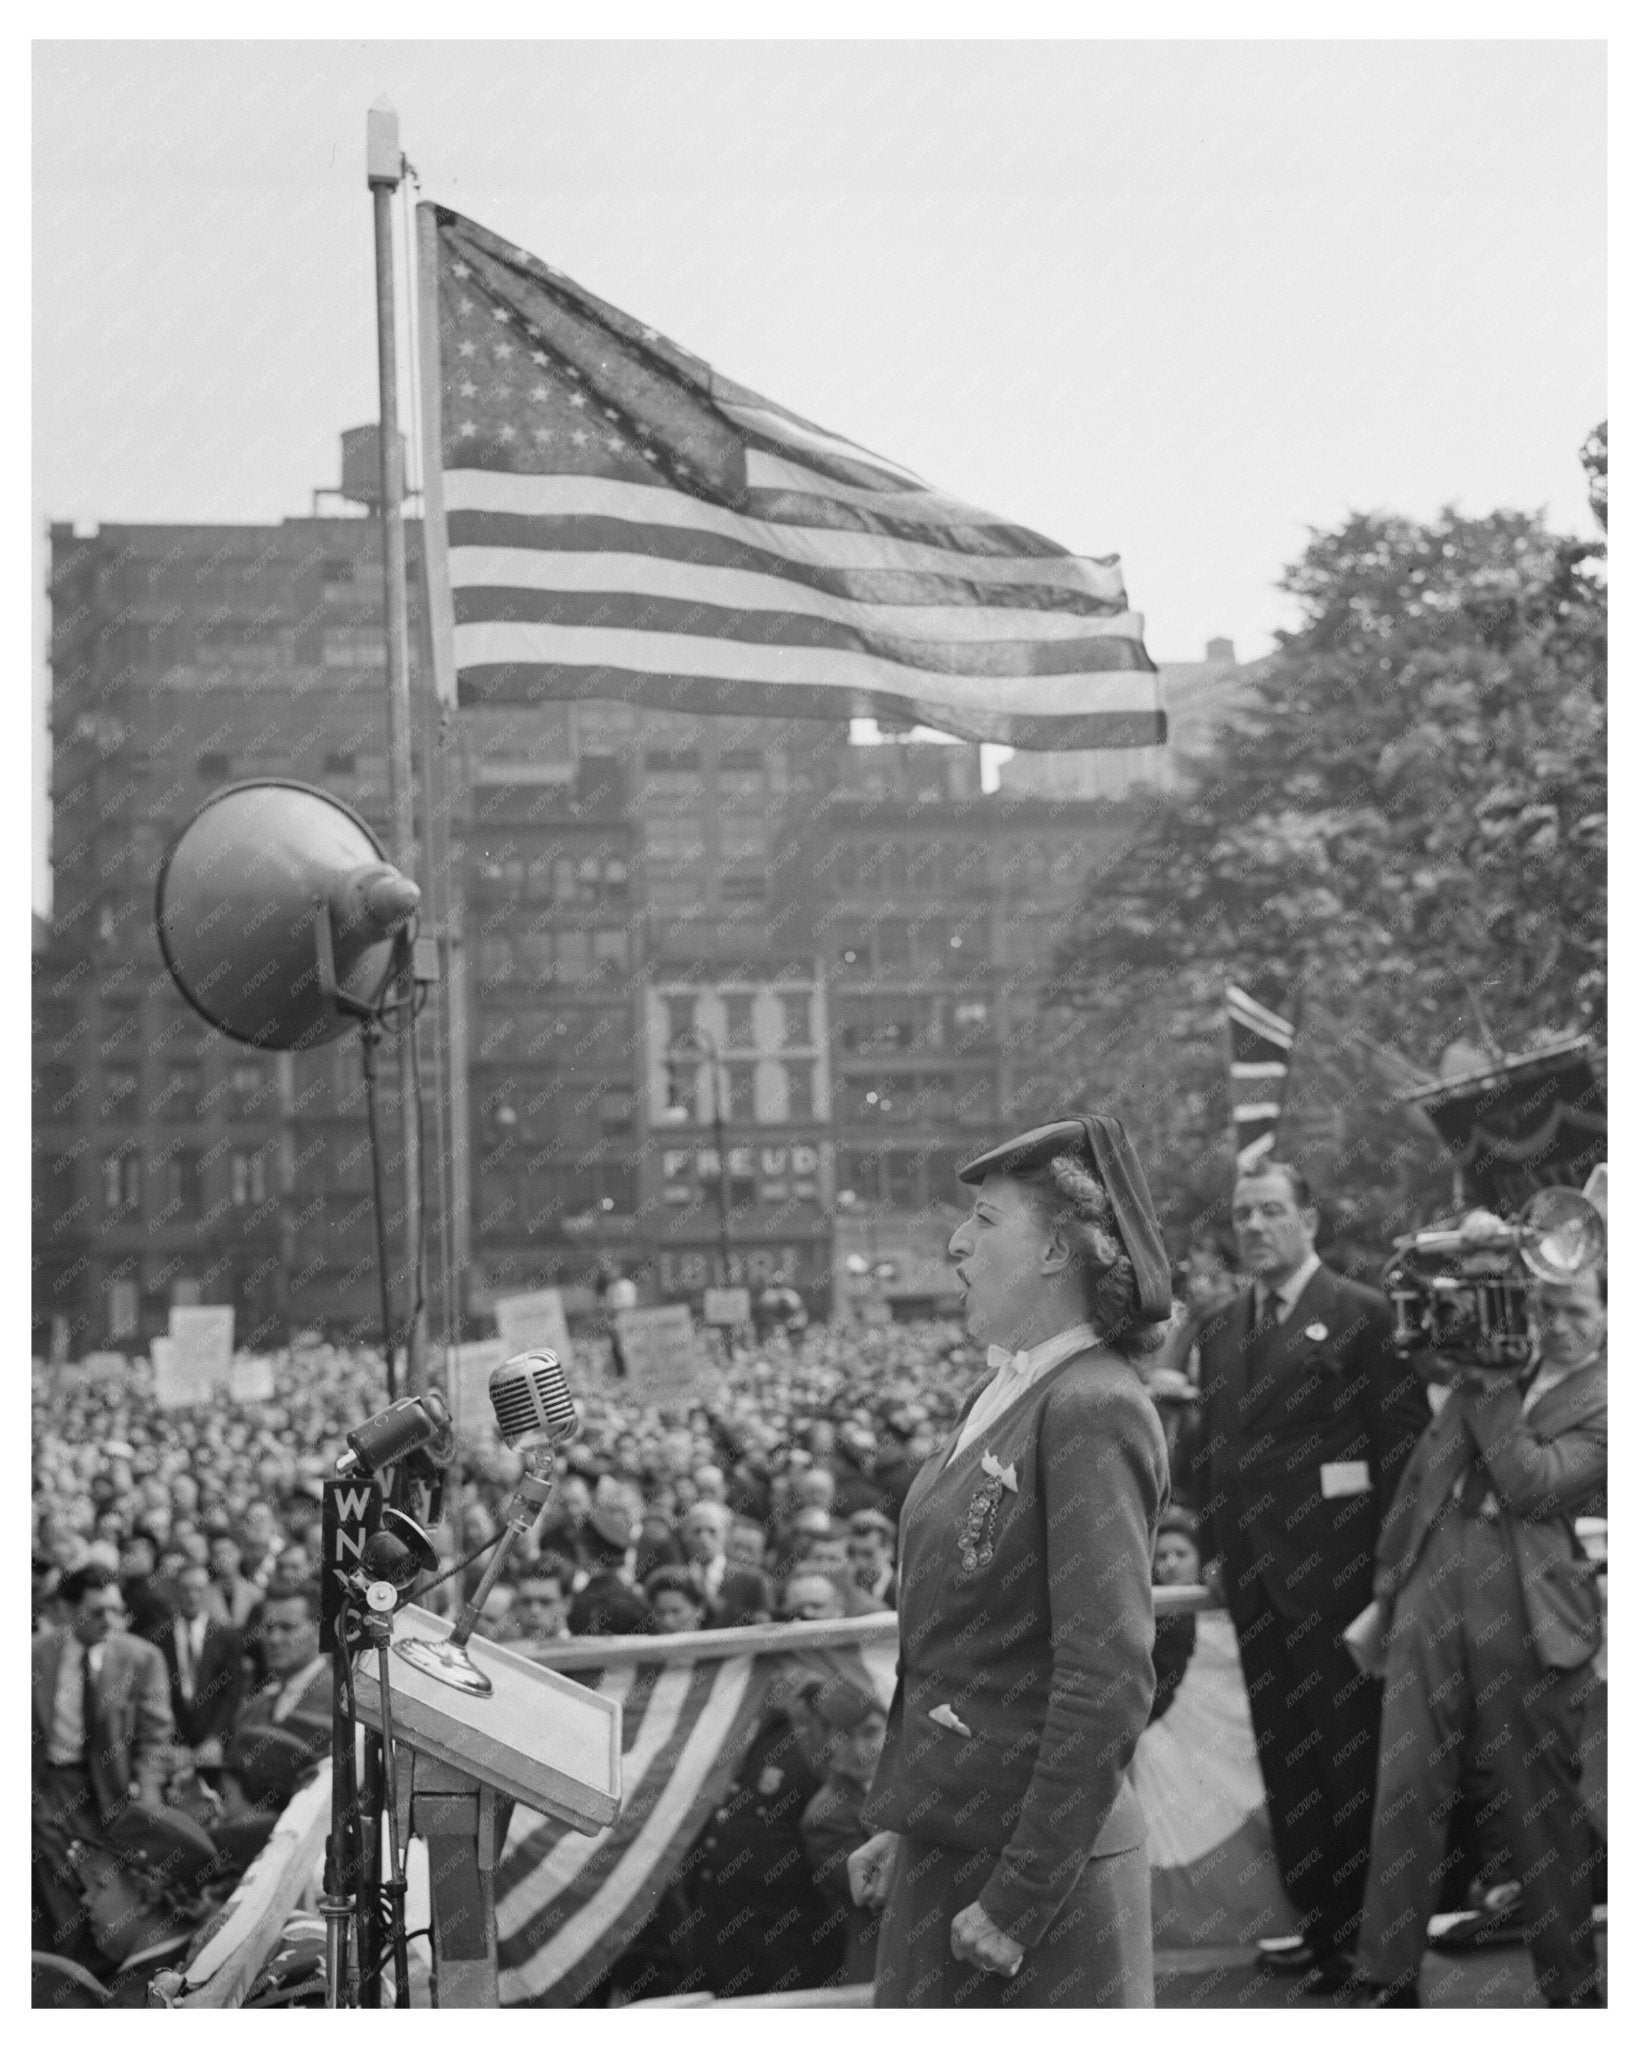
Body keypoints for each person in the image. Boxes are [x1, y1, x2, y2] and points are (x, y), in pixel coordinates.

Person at [851, 1114, 1173, 2008]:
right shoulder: (1007, 1389)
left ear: (1058, 1251)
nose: (957, 1243)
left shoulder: (1089, 1406)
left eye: (986, 1220)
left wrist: (1020, 1897)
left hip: (1032, 1883)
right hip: (955, 1845)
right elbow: (965, 1648)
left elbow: (1106, 1678)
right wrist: (908, 1819)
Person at [1190, 1161, 1427, 1993]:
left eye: (1269, 1211)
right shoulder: (1221, 1328)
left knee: (1352, 1764)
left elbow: (1402, 1455)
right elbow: (1212, 1455)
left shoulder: (1361, 1315)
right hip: (1256, 1585)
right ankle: (1322, 1928)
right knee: (1287, 1761)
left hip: (1341, 1585)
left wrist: (1388, 1581)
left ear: (1308, 1220)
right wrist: (1214, 1546)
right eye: (1242, 1215)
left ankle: (1372, 1946)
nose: (1254, 1227)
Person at [1345, 1260, 1607, 2008]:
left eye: (1577, 1310)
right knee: (1404, 1786)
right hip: (1431, 1589)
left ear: (1609, 1315)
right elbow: (1423, 1474)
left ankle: (1571, 1987)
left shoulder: (1609, 1396)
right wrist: (1389, 1584)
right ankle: (1385, 1975)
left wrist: (1487, 1386)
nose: (1559, 1325)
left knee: (1539, 1807)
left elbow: (1533, 1483)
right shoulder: (1496, 1370)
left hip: (1528, 1608)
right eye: (1546, 1309)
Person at [32, 1564, 175, 1964]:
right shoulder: (36, 1654)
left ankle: (109, 1969)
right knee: (58, 1885)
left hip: (114, 1790)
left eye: (116, 1610)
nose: (109, 1620)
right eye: (97, 1612)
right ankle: (65, 1972)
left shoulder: (141, 1658)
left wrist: (148, 1796)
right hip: (52, 1786)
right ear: (67, 1610)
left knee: (109, 1887)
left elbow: (156, 1734)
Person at [801, 1679, 891, 1984]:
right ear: (826, 1739)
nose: (861, 1750)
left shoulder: (910, 1788)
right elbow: (878, 1892)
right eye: (845, 1736)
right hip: (882, 1964)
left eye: (870, 1732)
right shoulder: (825, 1816)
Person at [161, 1560, 246, 1762]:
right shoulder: (158, 1638)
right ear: (175, 1591)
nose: (192, 1597)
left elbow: (232, 1692)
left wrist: (215, 1738)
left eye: (199, 1589)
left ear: (208, 1591)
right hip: (170, 1744)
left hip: (213, 1743)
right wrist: (166, 1740)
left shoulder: (227, 1637)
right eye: (185, 1590)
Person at [235, 1578, 330, 1760]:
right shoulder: (256, 1705)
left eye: (287, 1627)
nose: (274, 1639)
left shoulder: (340, 1699)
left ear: (318, 1630)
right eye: (269, 1628)